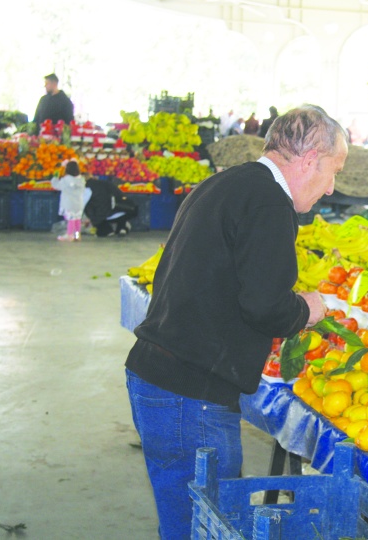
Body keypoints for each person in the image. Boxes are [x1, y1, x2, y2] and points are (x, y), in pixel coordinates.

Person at [124, 105, 345, 539]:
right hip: (191, 396)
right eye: (333, 172)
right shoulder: (270, 203)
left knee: (183, 518)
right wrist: (306, 308)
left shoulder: (226, 183)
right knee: (207, 525)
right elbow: (265, 307)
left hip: (157, 378)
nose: (331, 187)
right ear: (309, 160)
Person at [50, 160, 86, 242]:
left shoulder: (66, 180)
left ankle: (69, 235)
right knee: (77, 220)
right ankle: (77, 236)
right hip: (79, 203)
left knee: (71, 220)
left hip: (69, 203)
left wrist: (56, 175)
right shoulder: (81, 179)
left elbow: (56, 185)